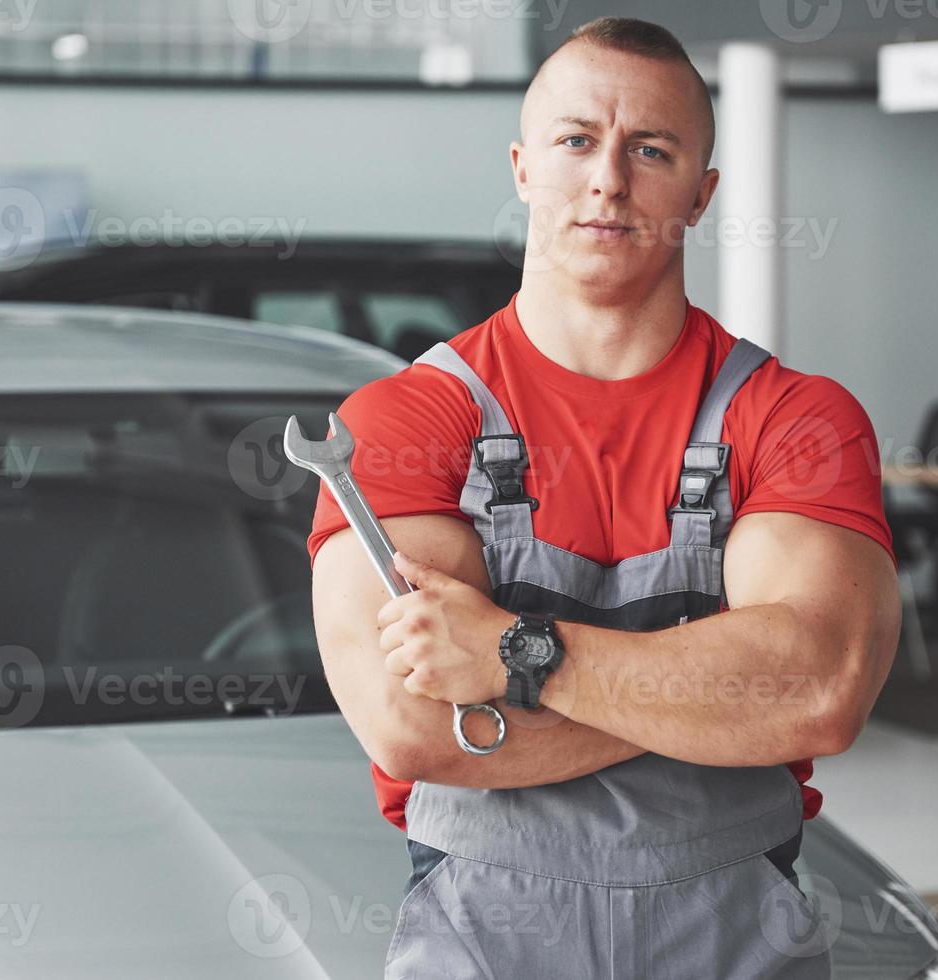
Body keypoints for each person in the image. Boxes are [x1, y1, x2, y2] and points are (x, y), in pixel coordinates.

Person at [308, 16, 901, 978]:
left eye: (651, 150)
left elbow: (817, 693)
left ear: (702, 194)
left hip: (738, 935)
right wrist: (712, 698)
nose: (609, 180)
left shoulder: (796, 417)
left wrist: (510, 653)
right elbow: (416, 725)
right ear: (522, 166)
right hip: (484, 940)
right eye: (577, 140)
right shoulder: (401, 421)